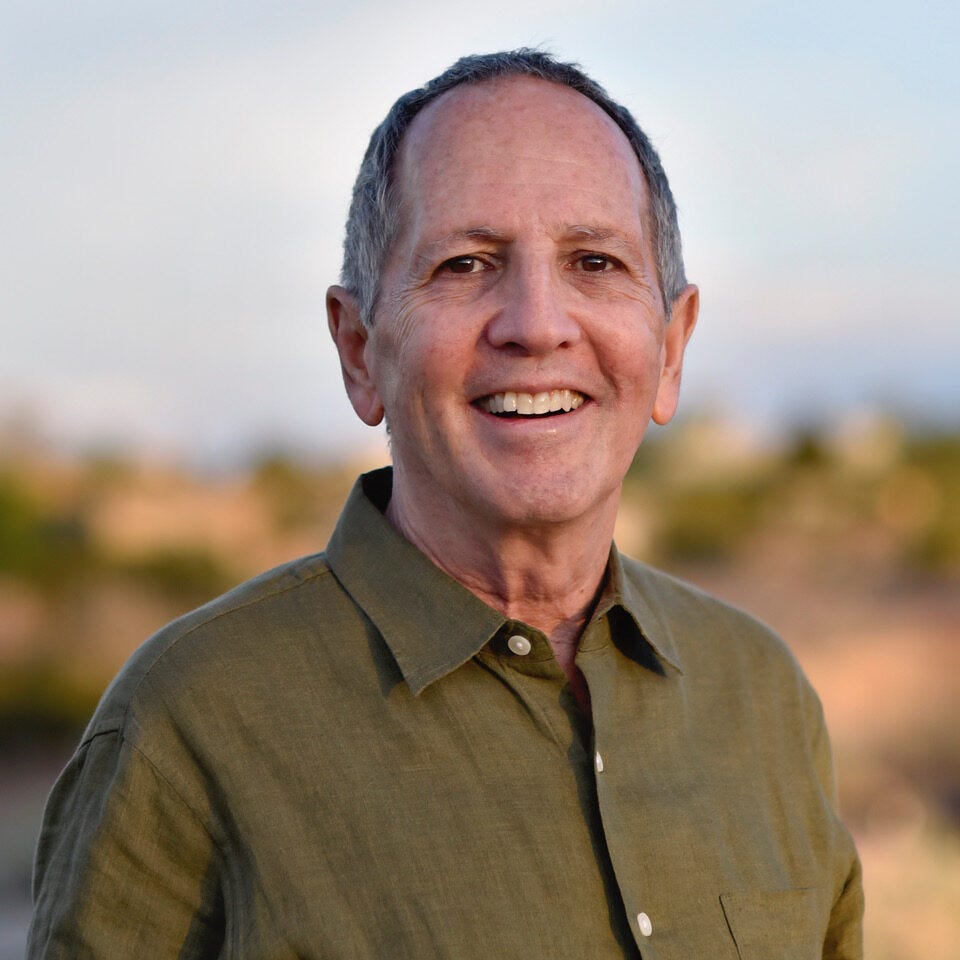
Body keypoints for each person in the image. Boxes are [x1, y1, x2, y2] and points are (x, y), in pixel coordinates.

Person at [28, 49, 863, 958]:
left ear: (670, 349)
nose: (537, 324)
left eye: (594, 260)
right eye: (466, 264)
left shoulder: (763, 695)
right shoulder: (189, 725)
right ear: (360, 349)